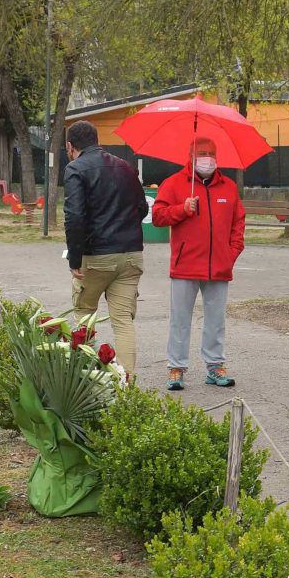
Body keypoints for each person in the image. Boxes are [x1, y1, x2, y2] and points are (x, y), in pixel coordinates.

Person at [150, 137, 245, 390]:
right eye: (202, 153)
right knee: (180, 320)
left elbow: (238, 223)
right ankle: (176, 367)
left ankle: (215, 366)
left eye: (211, 153)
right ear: (190, 156)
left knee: (216, 320)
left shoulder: (229, 187)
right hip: (185, 266)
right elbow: (157, 217)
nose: (207, 158)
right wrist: (182, 209)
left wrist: (231, 253)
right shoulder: (173, 184)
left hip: (219, 267)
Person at [63, 119, 147, 378]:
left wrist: (74, 258)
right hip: (131, 254)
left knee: (84, 314)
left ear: (70, 146)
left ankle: (84, 379)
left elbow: (74, 216)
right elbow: (142, 208)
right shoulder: (126, 167)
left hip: (97, 256)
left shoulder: (75, 169)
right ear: (97, 140)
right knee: (123, 321)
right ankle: (127, 386)